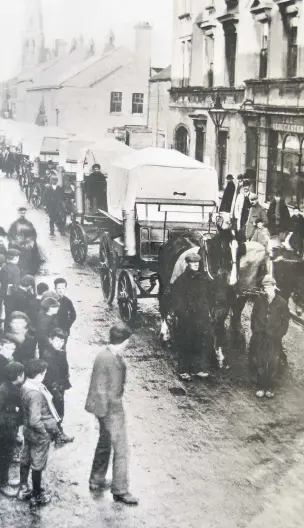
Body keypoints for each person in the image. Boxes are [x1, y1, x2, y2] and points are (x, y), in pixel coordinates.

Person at [85, 324, 138, 505]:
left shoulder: (104, 355)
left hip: (103, 409)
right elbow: (105, 390)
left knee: (104, 443)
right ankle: (120, 490)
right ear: (125, 341)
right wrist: (111, 413)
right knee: (122, 450)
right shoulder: (109, 359)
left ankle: (96, 479)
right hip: (110, 410)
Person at [18, 359, 61, 506]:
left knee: (26, 458)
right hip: (38, 434)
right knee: (38, 464)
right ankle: (37, 495)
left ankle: (23, 488)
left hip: (28, 432)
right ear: (39, 375)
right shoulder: (35, 394)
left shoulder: (26, 386)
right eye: (44, 373)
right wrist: (44, 433)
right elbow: (35, 420)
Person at [171, 252, 213, 380]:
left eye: (197, 262)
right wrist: (183, 314)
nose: (195, 264)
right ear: (188, 264)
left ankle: (198, 369)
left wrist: (207, 312)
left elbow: (208, 296)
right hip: (187, 319)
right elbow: (177, 301)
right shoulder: (182, 280)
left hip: (201, 318)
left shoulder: (203, 278)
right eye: (193, 263)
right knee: (186, 343)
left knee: (200, 342)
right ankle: (184, 370)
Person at [249, 275, 290, 399]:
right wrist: (256, 331)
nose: (266, 290)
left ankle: (270, 388)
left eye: (269, 287)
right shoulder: (259, 301)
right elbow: (253, 317)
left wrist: (279, 335)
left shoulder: (282, 302)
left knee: (273, 362)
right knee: (260, 361)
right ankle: (261, 386)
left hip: (274, 338)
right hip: (260, 336)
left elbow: (285, 322)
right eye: (265, 287)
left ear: (274, 287)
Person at [42, 328, 74, 445]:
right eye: (56, 340)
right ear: (51, 340)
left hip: (60, 385)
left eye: (62, 341)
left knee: (57, 409)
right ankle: (58, 435)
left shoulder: (60, 352)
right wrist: (56, 389)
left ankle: (55, 433)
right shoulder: (48, 355)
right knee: (56, 410)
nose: (59, 343)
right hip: (53, 388)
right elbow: (50, 375)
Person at [0, 362, 25, 497]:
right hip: (4, 430)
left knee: (7, 455)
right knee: (4, 456)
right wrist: (11, 411)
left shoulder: (13, 387)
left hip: (10, 428)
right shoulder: (4, 390)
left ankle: (4, 479)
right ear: (19, 375)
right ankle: (2, 483)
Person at [0, 248, 21, 323]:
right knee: (13, 315)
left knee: (7, 313)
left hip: (4, 293)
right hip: (12, 295)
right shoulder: (16, 269)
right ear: (16, 258)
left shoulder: (4, 267)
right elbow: (16, 284)